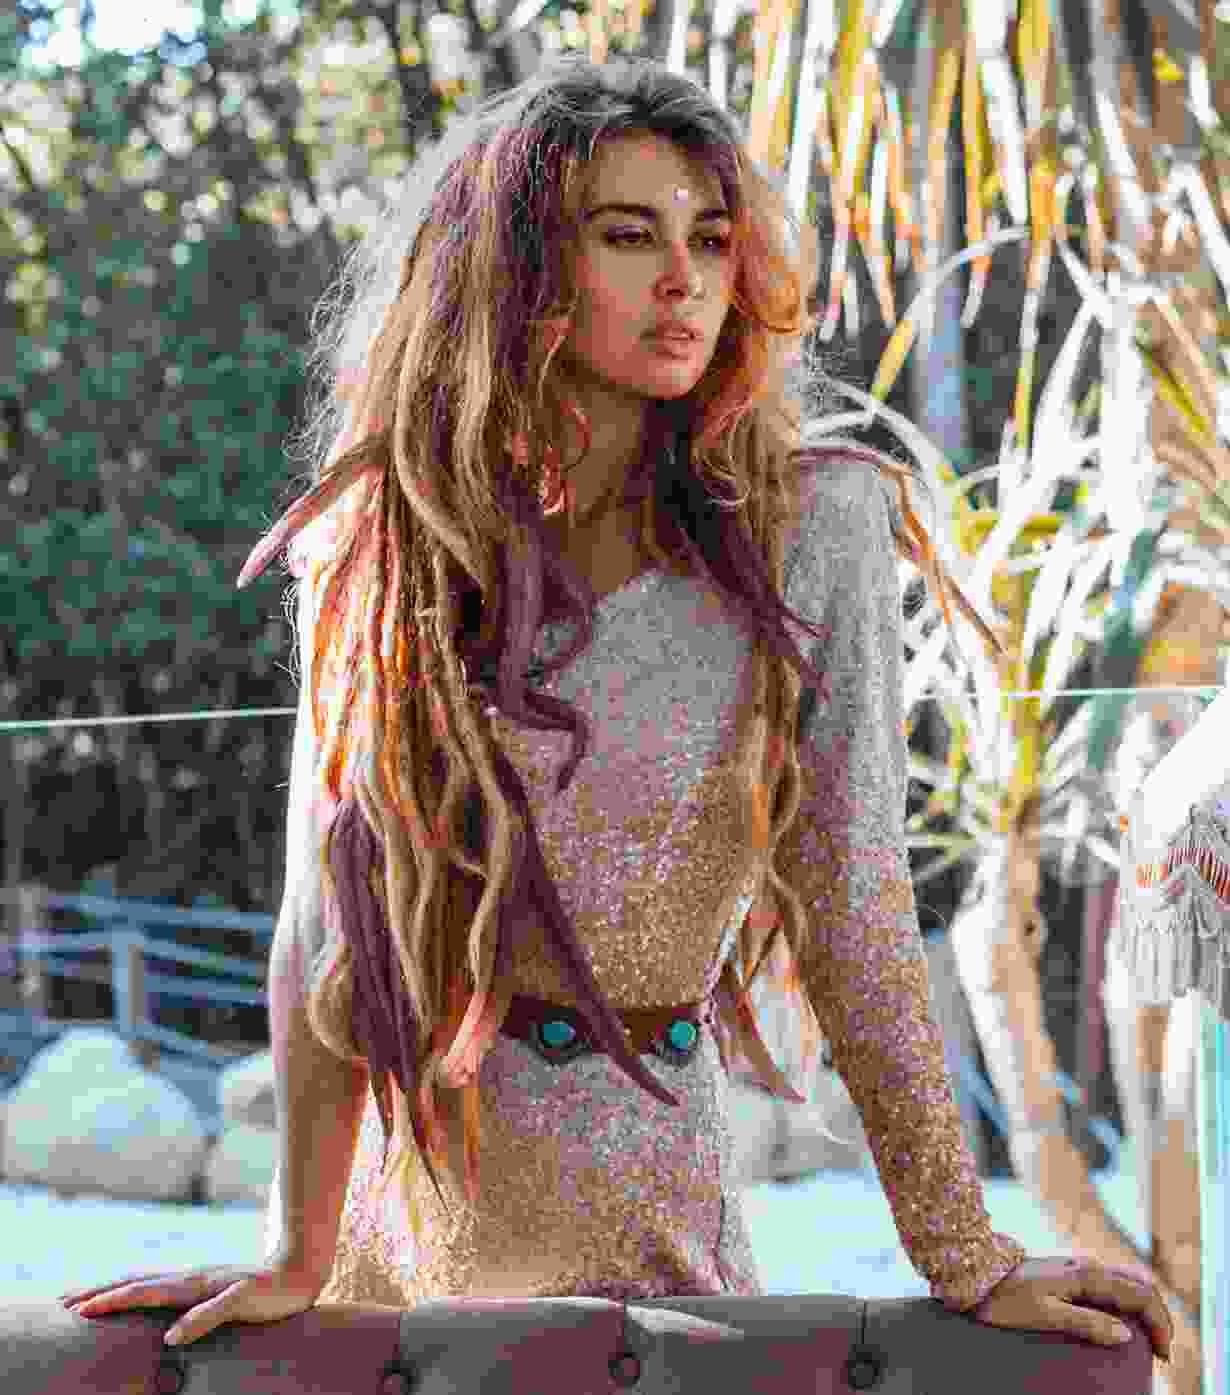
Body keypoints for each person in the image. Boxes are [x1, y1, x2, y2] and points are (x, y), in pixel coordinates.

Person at [60, 53, 1173, 1365]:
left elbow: (853, 902)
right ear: (520, 270)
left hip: (648, 1204)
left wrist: (963, 1253)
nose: (684, 278)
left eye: (710, 237)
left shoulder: (810, 524)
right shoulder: (382, 537)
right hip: (399, 1222)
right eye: (627, 235)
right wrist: (292, 1254)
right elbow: (324, 927)